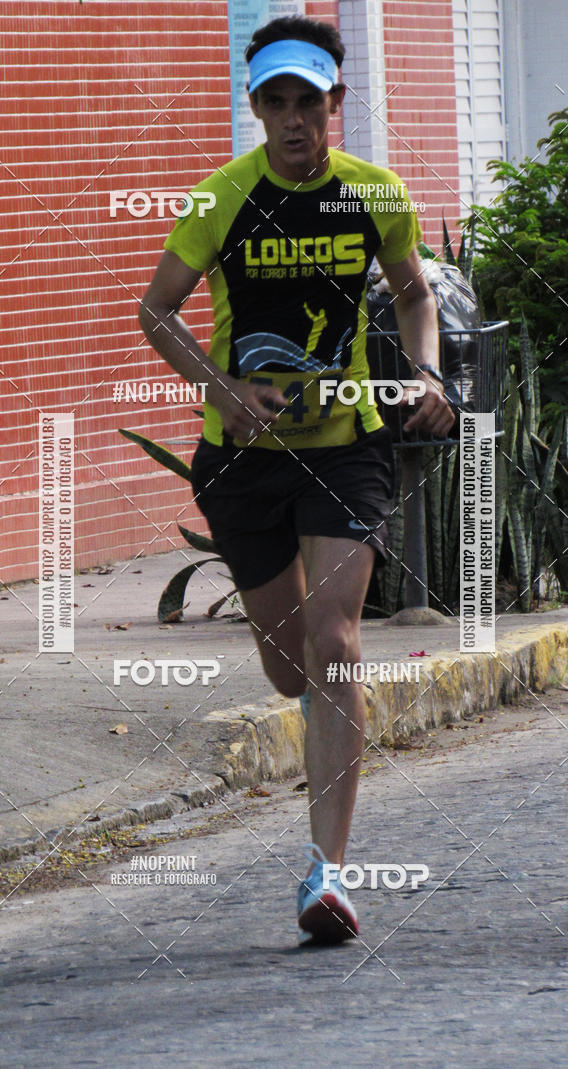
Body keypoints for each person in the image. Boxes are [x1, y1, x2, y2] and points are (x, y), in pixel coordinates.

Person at [139, 14, 454, 945]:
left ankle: (331, 874)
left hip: (346, 445)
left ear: (334, 105)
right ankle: (311, 702)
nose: (290, 119)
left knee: (338, 642)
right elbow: (155, 313)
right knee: (289, 670)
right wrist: (223, 390)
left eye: (306, 103)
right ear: (256, 107)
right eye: (273, 102)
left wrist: (427, 373)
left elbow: (413, 292)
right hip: (241, 460)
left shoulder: (375, 193)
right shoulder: (221, 198)